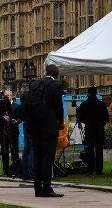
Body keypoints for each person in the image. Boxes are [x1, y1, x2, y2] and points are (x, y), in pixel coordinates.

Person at [22, 64, 64, 198]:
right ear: (56, 74)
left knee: (37, 157)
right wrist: (61, 122)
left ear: (46, 72)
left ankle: (37, 188)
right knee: (48, 157)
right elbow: (58, 107)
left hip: (35, 126)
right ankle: (47, 187)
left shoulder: (34, 84)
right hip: (49, 126)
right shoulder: (56, 85)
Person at [76, 86, 109, 175]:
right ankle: (99, 170)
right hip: (99, 129)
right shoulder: (101, 104)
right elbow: (106, 117)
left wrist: (87, 122)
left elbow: (81, 117)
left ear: (89, 93)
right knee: (99, 150)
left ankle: (90, 169)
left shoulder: (84, 104)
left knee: (90, 150)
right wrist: (101, 124)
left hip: (89, 129)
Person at [0, 89, 20, 178]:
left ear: (12, 96)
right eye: (5, 96)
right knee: (5, 151)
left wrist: (16, 121)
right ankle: (6, 169)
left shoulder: (16, 106)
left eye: (8, 96)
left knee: (15, 150)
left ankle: (16, 168)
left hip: (13, 131)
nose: (7, 97)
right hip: (4, 132)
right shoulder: (1, 106)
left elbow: (20, 118)